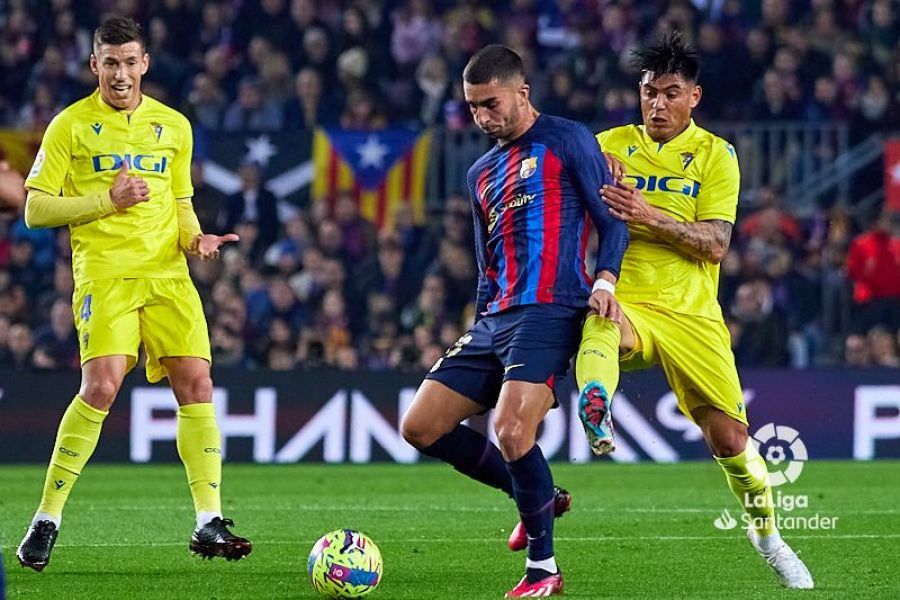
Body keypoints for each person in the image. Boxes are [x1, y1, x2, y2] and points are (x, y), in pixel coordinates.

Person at [575, 33, 813, 589]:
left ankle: (768, 537)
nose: (657, 104)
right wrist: (579, 163)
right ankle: (596, 403)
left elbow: (715, 244)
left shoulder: (715, 155)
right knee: (602, 319)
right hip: (627, 295)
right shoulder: (606, 144)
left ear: (695, 97)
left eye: (670, 93)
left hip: (692, 313)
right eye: (648, 92)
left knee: (730, 441)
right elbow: (559, 186)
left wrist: (647, 213)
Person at [16, 17, 251, 572]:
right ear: (94, 65)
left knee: (196, 382)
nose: (121, 74)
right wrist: (106, 201)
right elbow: (34, 209)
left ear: (144, 63)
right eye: (110, 63)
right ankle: (46, 519)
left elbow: (180, 200)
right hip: (106, 274)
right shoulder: (69, 126)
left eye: (130, 61)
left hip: (168, 274)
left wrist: (195, 238)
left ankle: (208, 520)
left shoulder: (173, 126)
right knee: (100, 386)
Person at [400, 45, 628, 598]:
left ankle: (543, 570)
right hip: (494, 318)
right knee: (420, 427)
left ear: (521, 92)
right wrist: (480, 324)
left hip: (552, 309)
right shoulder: (480, 172)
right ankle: (536, 497)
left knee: (510, 429)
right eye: (473, 107)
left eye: (490, 103)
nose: (482, 117)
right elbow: (487, 265)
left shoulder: (568, 138)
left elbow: (612, 220)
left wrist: (605, 281)